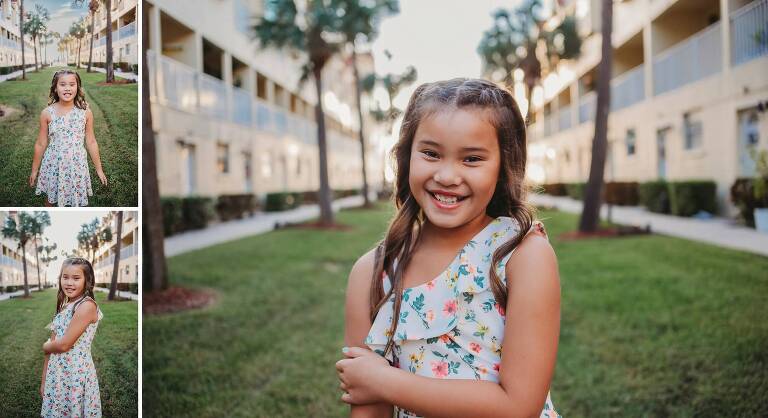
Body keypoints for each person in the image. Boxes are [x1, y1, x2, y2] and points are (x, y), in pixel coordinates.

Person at [337, 78, 561, 417]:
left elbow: (519, 407)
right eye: (430, 153)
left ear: (502, 167)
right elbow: (369, 407)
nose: (446, 175)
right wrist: (373, 385)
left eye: (471, 159)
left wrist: (382, 381)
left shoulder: (522, 256)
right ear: (405, 157)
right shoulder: (373, 273)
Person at [30, 69, 107, 207]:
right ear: (55, 87)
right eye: (62, 84)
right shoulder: (47, 113)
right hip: (54, 163)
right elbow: (41, 143)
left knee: (76, 198)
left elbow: (91, 141)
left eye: (72, 84)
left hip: (76, 163)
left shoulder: (85, 113)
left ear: (78, 87)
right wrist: (34, 170)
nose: (67, 88)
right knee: (51, 197)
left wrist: (99, 169)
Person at [41, 257, 103, 417]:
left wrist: (45, 346)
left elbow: (62, 345)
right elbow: (53, 344)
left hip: (75, 374)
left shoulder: (87, 306)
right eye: (65, 277)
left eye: (76, 278)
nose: (69, 282)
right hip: (57, 374)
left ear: (87, 281)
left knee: (73, 411)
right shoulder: (64, 306)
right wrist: (45, 381)